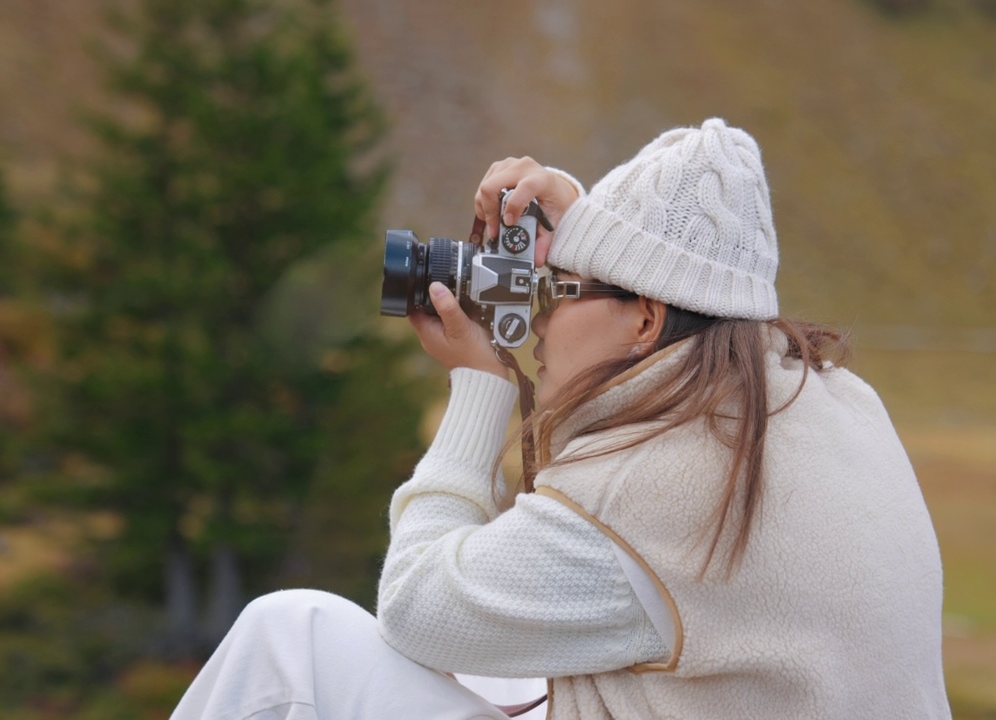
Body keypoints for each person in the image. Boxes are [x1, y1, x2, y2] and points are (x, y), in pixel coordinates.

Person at [169, 118, 952, 719]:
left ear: (645, 321)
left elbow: (416, 609)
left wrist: (479, 391)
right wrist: (588, 228)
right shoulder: (831, 399)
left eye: (557, 287)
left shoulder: (653, 489)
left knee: (288, 635)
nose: (536, 314)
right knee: (501, 657)